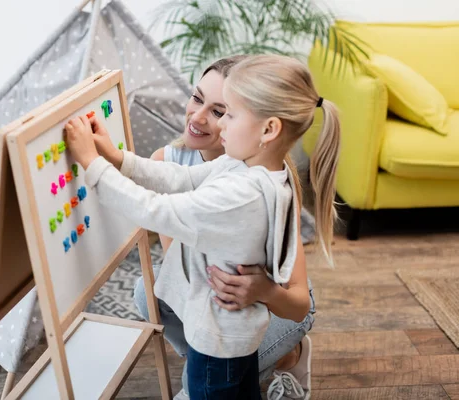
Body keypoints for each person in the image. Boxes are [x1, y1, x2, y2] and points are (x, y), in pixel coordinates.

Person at [65, 54, 340, 399]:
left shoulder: (242, 194)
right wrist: (116, 157)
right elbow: (184, 178)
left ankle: (288, 361)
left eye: (229, 114)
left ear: (269, 129)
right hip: (229, 335)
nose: (221, 125)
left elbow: (155, 210)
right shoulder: (247, 168)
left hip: (217, 343)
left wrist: (91, 163)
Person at [137, 55, 317, 400]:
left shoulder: (267, 182)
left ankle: (291, 356)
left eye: (221, 112)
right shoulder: (169, 162)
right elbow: (185, 270)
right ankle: (204, 367)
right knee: (147, 291)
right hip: (219, 304)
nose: (200, 118)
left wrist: (263, 291)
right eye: (196, 98)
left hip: (274, 308)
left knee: (212, 373)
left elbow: (298, 304)